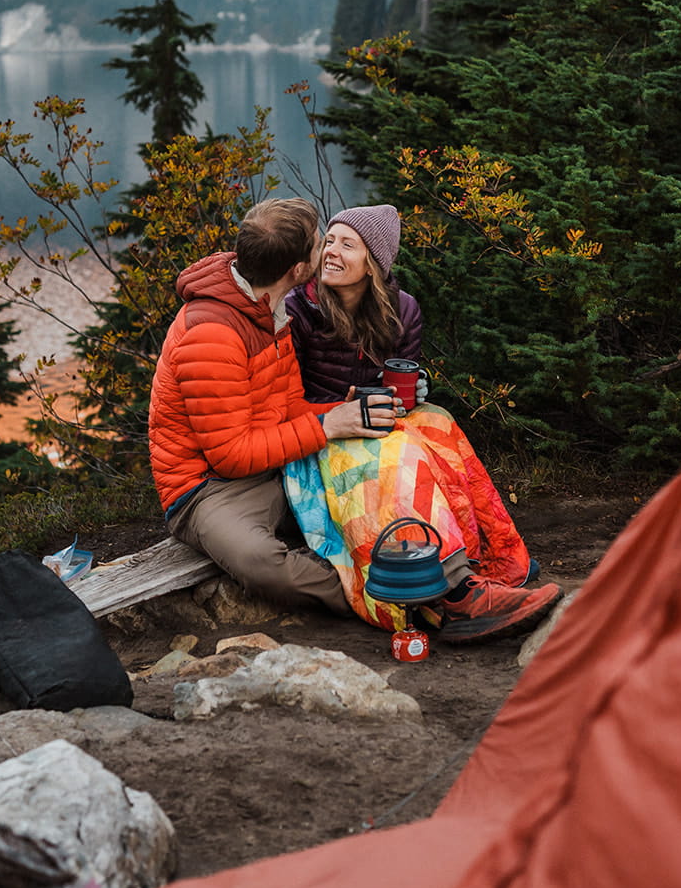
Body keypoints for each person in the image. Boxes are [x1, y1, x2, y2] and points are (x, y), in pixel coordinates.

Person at [150, 197, 557, 642]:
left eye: (344, 243)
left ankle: (457, 584)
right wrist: (329, 426)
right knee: (262, 564)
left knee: (386, 457)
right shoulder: (214, 334)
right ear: (297, 268)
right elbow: (229, 456)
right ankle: (408, 594)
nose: (325, 251)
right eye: (320, 243)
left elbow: (290, 408)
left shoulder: (272, 311)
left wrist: (349, 414)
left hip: (277, 458)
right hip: (207, 488)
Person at [285, 204, 560, 642]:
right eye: (329, 241)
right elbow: (283, 400)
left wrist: (413, 391)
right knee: (399, 454)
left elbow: (401, 374)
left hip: (378, 418)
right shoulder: (298, 309)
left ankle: (480, 562)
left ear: (373, 264)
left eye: (347, 245)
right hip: (321, 432)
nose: (331, 253)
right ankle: (449, 595)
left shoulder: (403, 309)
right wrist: (343, 409)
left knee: (439, 422)